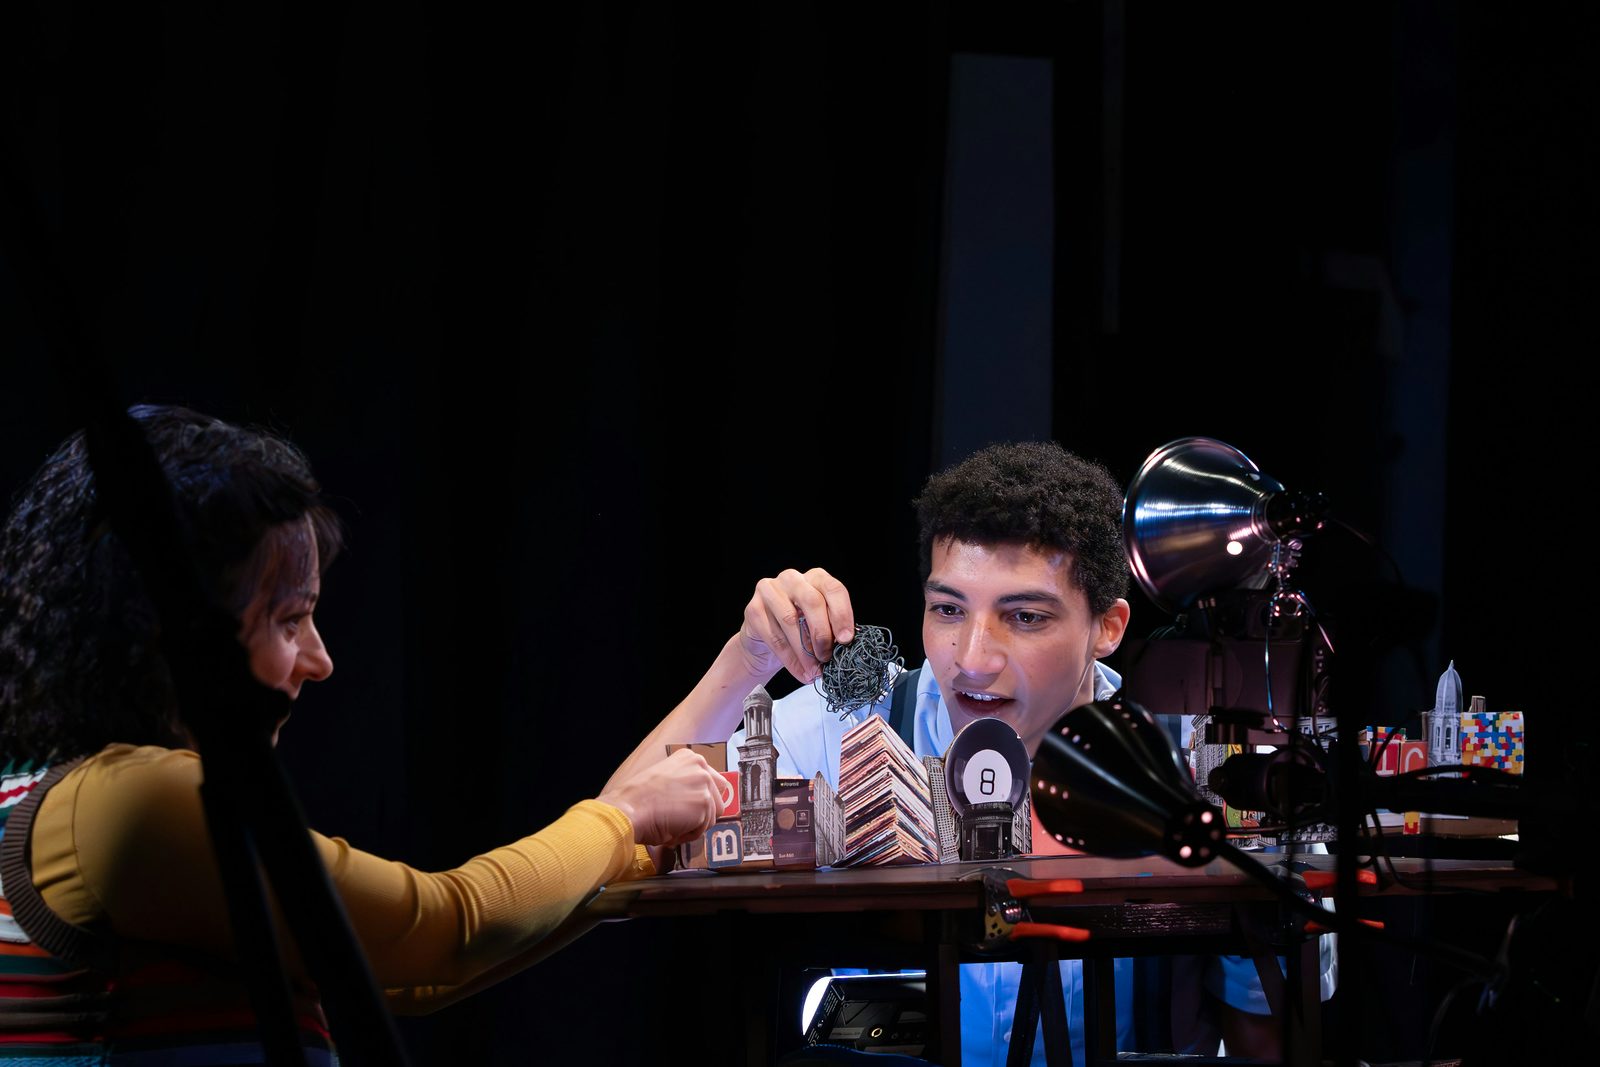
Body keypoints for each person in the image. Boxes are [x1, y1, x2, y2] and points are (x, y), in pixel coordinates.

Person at [0, 404, 727, 1063]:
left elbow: (421, 975)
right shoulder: (133, 801)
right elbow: (445, 927)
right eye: (290, 620)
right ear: (174, 629)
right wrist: (621, 819)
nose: (321, 661)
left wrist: (630, 839)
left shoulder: (66, 796)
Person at [610, 441, 1135, 1067]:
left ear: (1107, 627)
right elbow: (609, 853)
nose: (971, 659)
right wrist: (746, 659)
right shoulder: (856, 721)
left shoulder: (1172, 777)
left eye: (1023, 617)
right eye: (947, 609)